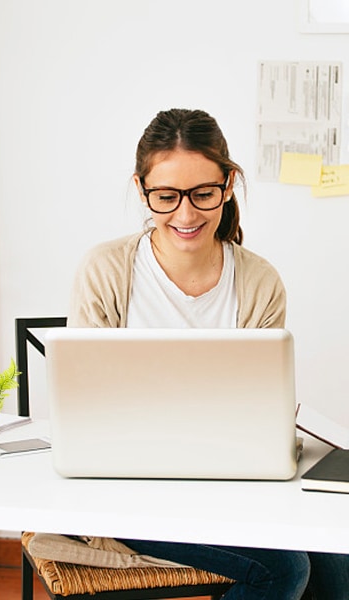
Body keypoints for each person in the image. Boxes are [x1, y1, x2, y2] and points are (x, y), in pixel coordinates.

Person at [69, 108, 349, 599]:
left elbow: (260, 414)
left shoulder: (260, 281)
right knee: (285, 571)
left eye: (203, 193)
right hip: (129, 490)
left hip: (236, 486)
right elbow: (85, 408)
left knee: (338, 552)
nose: (186, 214)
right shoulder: (106, 270)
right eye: (166, 196)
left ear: (229, 184)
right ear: (141, 190)